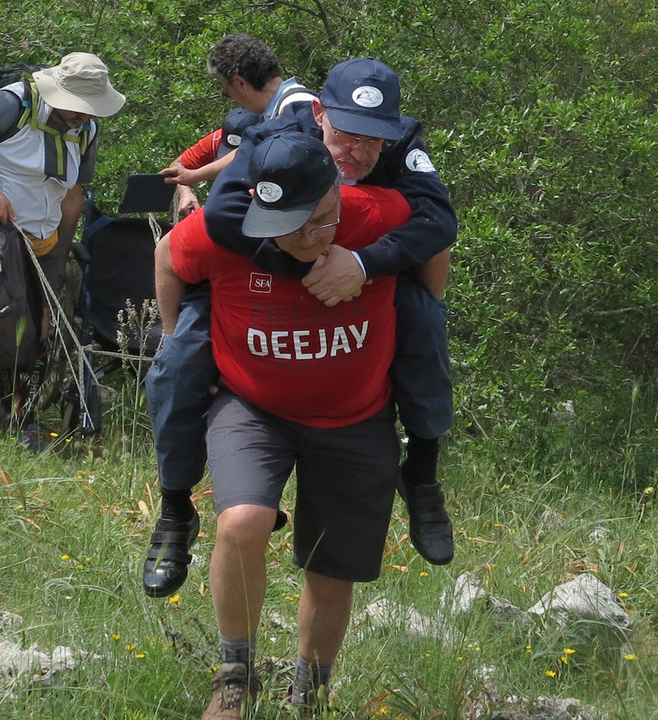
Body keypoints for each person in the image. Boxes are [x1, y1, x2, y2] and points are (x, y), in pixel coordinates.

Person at [141, 56, 455, 599]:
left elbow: (439, 221)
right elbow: (221, 215)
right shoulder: (279, 137)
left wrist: (363, 266)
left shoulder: (404, 148)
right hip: (265, 262)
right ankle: (174, 511)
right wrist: (303, 266)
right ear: (319, 114)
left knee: (425, 323)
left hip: (366, 269)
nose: (358, 153)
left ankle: (423, 475)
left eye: (374, 141)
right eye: (347, 136)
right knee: (178, 360)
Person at [154, 131, 411, 718]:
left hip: (357, 413)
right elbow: (168, 257)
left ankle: (311, 691)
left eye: (320, 222)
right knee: (243, 522)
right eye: (288, 225)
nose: (306, 238)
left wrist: (369, 263)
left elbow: (434, 234)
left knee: (331, 561)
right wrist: (177, 347)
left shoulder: (376, 217)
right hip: (252, 405)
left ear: (338, 195)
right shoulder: (227, 231)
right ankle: (235, 675)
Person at [0, 52, 125, 446]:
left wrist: (60, 255)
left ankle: (23, 416)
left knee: (41, 327)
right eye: (80, 108)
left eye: (91, 110)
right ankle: (22, 422)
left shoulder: (84, 130)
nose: (86, 116)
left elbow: (72, 193)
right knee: (9, 325)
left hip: (45, 237)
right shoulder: (11, 103)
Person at [163, 34, 317, 217]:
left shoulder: (297, 111)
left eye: (226, 91)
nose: (233, 100)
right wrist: (194, 176)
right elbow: (246, 151)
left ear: (240, 83)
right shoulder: (279, 111)